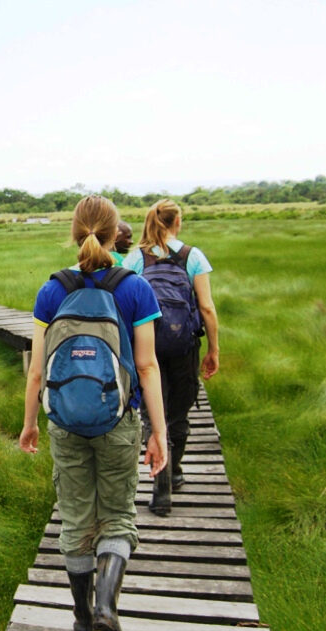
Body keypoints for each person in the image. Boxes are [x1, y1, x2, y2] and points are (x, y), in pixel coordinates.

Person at [19, 195, 167, 631]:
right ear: (115, 231)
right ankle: (107, 604)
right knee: (118, 516)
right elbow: (147, 368)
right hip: (120, 421)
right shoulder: (135, 287)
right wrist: (158, 432)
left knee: (76, 520)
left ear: (74, 232)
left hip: (64, 421)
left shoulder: (52, 290)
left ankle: (82, 618)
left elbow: (38, 372)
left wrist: (29, 425)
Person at [122, 199, 219, 515]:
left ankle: (160, 490)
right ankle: (174, 470)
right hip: (183, 346)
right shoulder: (193, 256)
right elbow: (206, 308)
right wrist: (214, 349)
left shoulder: (136, 257)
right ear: (176, 222)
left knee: (153, 412)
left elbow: (124, 305)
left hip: (145, 346)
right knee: (179, 409)